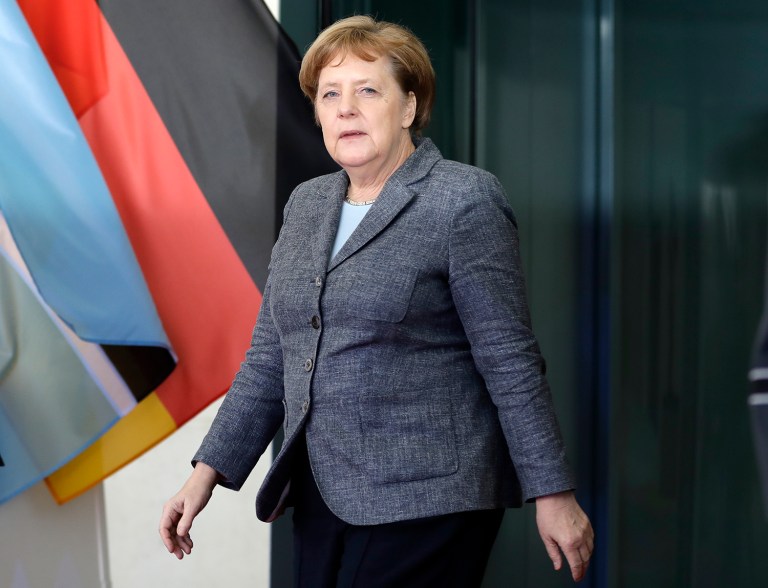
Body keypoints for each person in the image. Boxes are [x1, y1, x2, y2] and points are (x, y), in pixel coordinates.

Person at [159, 15, 594, 586]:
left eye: (367, 90)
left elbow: (509, 358)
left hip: (430, 501)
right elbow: (272, 358)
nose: (346, 109)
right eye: (330, 95)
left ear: (409, 107)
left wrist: (552, 490)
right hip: (322, 496)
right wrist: (205, 474)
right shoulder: (306, 205)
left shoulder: (463, 200)